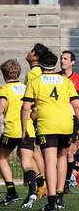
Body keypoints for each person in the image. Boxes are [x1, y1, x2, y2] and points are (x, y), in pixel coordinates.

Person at [21, 50, 79, 211]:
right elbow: (76, 105)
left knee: (50, 162)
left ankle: (52, 202)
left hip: (48, 124)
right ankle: (60, 197)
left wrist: (24, 129)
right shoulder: (65, 81)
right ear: (55, 64)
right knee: (62, 157)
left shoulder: (36, 81)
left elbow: (26, 107)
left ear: (40, 64)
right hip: (67, 124)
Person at [0, 59, 37, 208]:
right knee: (26, 161)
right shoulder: (27, 88)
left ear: (4, 74)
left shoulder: (4, 89)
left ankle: (12, 192)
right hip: (27, 130)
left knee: (1, 158)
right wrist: (30, 120)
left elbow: (2, 104)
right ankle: (33, 190)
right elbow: (35, 110)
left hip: (11, 130)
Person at [25, 43, 49, 199]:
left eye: (31, 51)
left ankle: (40, 184)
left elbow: (34, 99)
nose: (28, 52)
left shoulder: (33, 74)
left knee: (27, 153)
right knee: (35, 150)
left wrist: (32, 116)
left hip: (36, 116)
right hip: (45, 115)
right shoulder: (42, 72)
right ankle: (45, 184)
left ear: (35, 57)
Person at [58, 50, 79, 194]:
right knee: (57, 152)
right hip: (56, 119)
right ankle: (55, 183)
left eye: (65, 58)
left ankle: (65, 184)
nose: (62, 60)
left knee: (70, 153)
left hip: (72, 120)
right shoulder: (56, 78)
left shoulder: (77, 79)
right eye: (61, 58)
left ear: (72, 62)